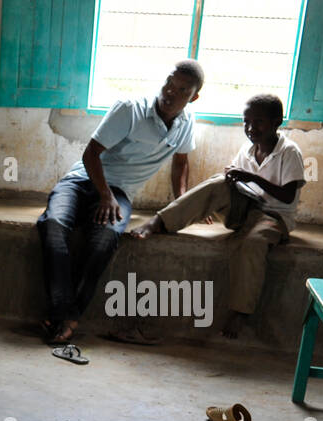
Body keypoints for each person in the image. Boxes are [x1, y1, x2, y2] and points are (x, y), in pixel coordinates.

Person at [37, 60, 203, 346]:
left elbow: (181, 163)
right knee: (52, 225)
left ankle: (66, 315)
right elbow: (91, 154)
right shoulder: (130, 109)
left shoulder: (186, 123)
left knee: (104, 240)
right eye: (168, 84)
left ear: (193, 97)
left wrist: (183, 203)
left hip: (120, 193)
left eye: (181, 90)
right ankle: (66, 312)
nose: (170, 93)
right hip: (81, 182)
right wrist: (104, 195)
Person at [129, 94, 305, 339]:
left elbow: (287, 196)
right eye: (246, 122)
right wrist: (230, 182)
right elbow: (237, 182)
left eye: (259, 122)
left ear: (277, 122)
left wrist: (251, 178)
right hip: (246, 208)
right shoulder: (248, 148)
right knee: (220, 182)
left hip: (274, 217)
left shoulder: (289, 151)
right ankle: (161, 220)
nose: (251, 128)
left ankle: (240, 312)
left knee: (252, 243)